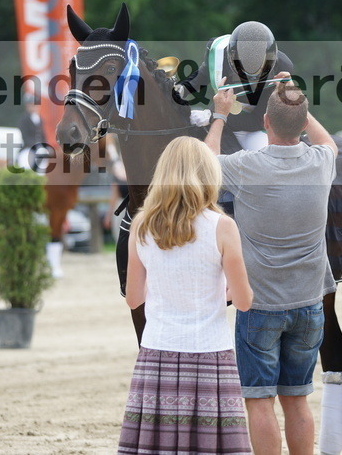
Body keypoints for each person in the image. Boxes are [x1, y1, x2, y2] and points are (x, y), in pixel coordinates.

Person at [205, 76, 337, 455]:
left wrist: (219, 115)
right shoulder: (321, 162)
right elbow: (327, 140)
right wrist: (298, 101)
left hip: (260, 306)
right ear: (304, 122)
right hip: (310, 306)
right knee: (297, 400)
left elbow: (205, 165)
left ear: (265, 122)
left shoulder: (248, 167)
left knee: (259, 401)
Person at [119, 136, 253, 454]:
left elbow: (134, 297)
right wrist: (222, 292)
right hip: (210, 353)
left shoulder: (140, 225)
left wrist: (169, 288)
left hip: (157, 352)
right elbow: (245, 300)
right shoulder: (222, 226)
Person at [179, 21, 294, 150]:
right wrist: (178, 91)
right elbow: (201, 77)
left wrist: (213, 116)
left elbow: (258, 120)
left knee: (266, 156)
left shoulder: (281, 67)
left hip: (251, 130)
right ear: (231, 57)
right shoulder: (219, 53)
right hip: (219, 118)